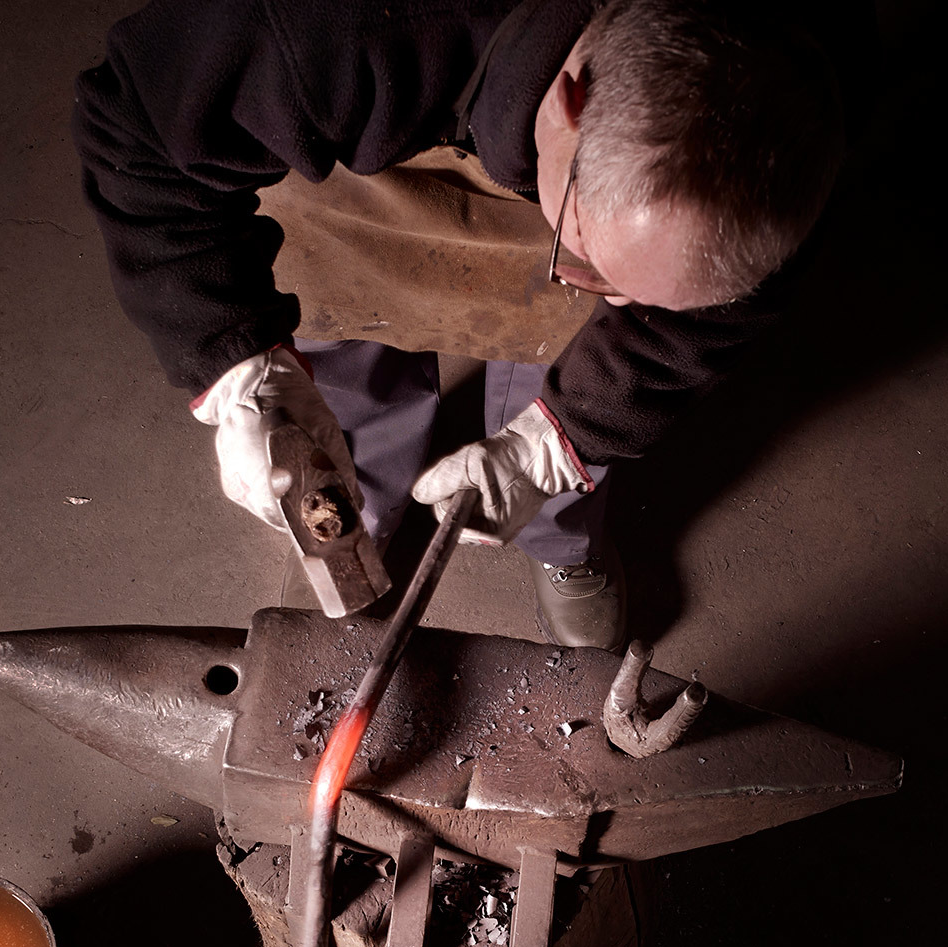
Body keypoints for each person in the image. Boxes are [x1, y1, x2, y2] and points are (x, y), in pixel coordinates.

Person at [73, 0, 862, 648]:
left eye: (648, 295)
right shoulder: (326, 31)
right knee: (340, 377)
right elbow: (135, 119)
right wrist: (236, 357)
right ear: (569, 102)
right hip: (359, 171)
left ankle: (561, 544)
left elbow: (709, 316)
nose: (616, 304)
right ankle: (350, 519)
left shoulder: (793, 109)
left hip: (544, 182)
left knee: (558, 407)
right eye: (587, 256)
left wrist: (556, 442)